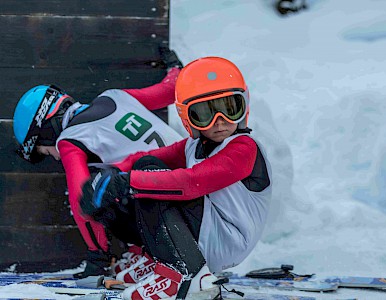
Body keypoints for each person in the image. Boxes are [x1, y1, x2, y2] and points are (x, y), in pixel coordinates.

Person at [80, 56, 273, 299]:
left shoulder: (244, 147)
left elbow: (191, 183)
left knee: (152, 181)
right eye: (205, 113)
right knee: (146, 166)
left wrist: (126, 182)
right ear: (187, 117)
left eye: (229, 108)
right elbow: (148, 157)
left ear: (244, 105)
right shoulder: (195, 145)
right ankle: (159, 262)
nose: (220, 121)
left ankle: (186, 275)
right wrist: (111, 174)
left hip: (228, 237)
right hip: (208, 231)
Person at [12, 47, 184, 278]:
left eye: (44, 150)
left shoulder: (70, 140)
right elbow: (173, 89)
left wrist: (97, 257)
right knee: (117, 176)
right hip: (199, 197)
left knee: (99, 187)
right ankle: (145, 252)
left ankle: (152, 253)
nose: (53, 157)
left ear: (47, 132)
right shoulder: (115, 96)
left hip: (176, 221)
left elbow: (81, 201)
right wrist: (174, 67)